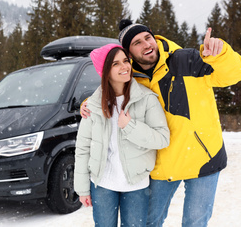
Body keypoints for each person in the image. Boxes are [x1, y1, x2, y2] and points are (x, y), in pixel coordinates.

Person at [81, 19, 241, 226]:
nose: (147, 44)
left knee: (195, 223)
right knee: (148, 222)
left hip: (203, 158)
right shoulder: (131, 79)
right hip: (160, 165)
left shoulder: (187, 59)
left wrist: (220, 56)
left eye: (148, 38)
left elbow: (233, 74)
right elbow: (108, 92)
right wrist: (86, 104)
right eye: (137, 42)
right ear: (129, 53)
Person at [74, 44, 170, 227]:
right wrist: (82, 189)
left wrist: (130, 127)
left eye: (126, 61)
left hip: (136, 184)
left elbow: (162, 138)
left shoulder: (146, 99)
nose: (125, 67)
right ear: (104, 71)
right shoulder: (92, 105)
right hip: (102, 184)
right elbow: (83, 148)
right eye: (116, 64)